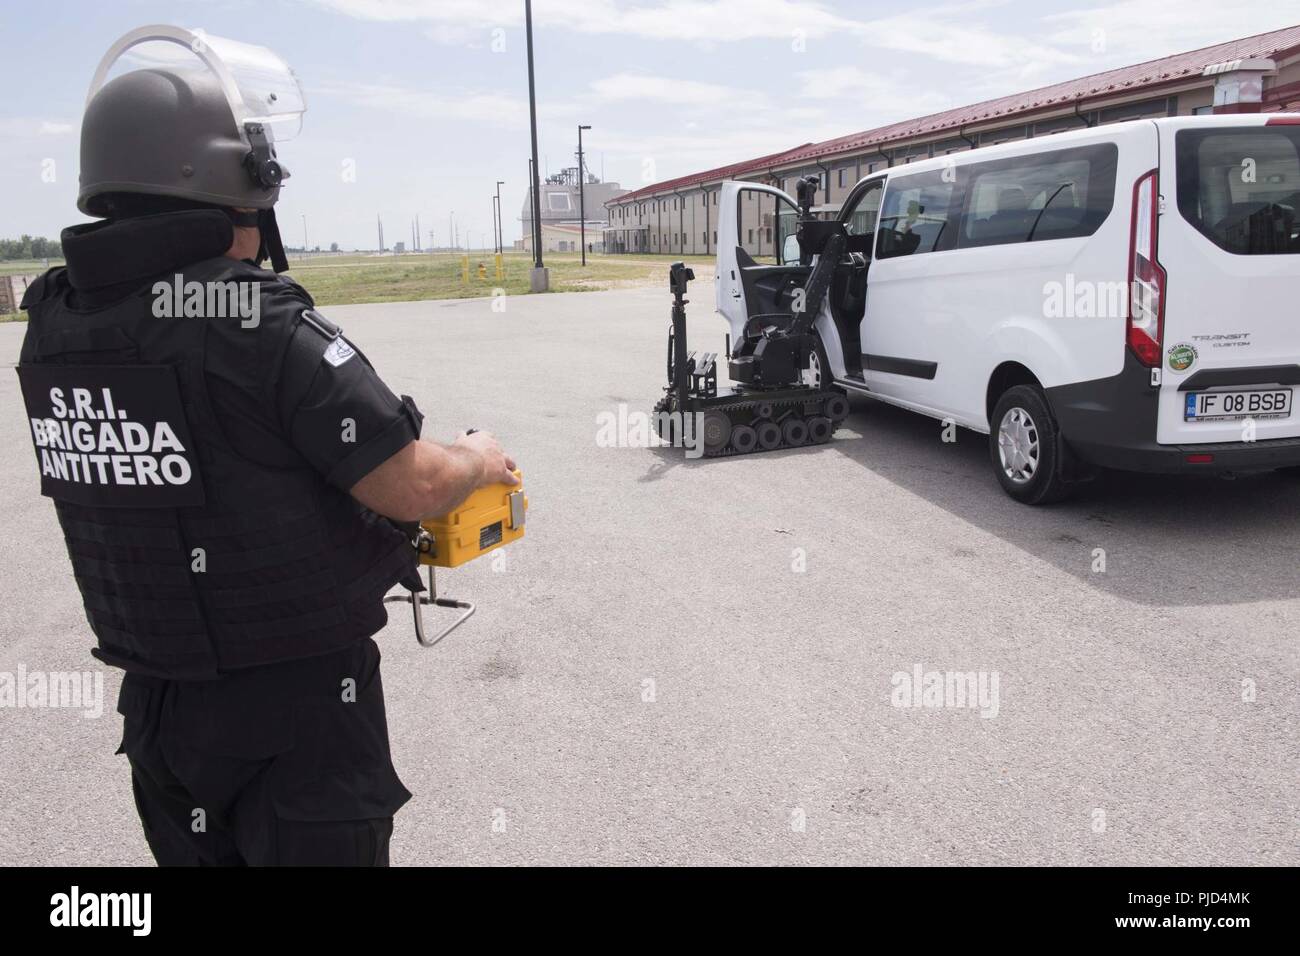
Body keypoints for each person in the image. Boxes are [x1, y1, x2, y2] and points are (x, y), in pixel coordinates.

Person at [16, 30, 517, 866]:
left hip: (162, 712)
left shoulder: (56, 323)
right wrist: (478, 456)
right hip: (300, 717)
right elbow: (412, 484)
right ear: (233, 194)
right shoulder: (254, 322)